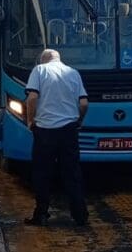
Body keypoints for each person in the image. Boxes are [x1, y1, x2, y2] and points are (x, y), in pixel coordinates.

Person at [25, 48, 89, 228]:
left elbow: (32, 98)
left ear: (43, 59)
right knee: (72, 173)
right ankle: (80, 216)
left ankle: (41, 214)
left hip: (45, 131)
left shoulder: (39, 70)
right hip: (69, 130)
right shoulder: (73, 73)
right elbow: (84, 103)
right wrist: (79, 121)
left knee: (42, 174)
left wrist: (30, 121)